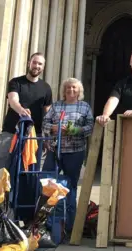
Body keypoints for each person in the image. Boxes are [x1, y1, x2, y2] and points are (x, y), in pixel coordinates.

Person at [42, 78, 94, 234]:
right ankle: (47, 222)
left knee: (70, 186)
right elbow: (44, 123)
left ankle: (70, 225)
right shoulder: (57, 105)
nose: (71, 90)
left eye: (74, 88)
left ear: (79, 91)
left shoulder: (84, 107)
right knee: (48, 184)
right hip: (54, 151)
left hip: (75, 152)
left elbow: (90, 127)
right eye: (68, 88)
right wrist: (55, 128)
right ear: (64, 90)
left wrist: (75, 130)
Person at [0, 52, 52, 174]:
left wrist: (47, 137)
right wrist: (22, 111)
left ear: (43, 67)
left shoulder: (46, 88)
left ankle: (24, 194)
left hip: (35, 136)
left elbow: (48, 113)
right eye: (34, 62)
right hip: (11, 132)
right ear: (29, 63)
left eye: (40, 64)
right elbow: (13, 100)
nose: (36, 66)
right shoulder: (16, 82)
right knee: (2, 167)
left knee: (30, 170)